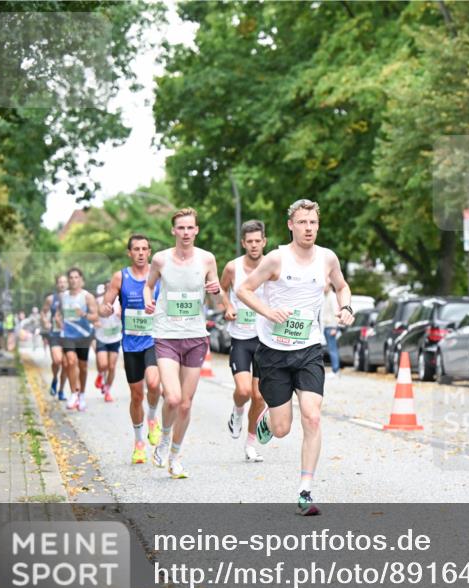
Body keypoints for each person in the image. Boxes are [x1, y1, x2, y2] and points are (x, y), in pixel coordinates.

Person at [237, 199, 353, 516]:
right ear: (291, 225)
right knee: (282, 428)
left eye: (313, 222)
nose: (308, 228)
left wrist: (346, 307)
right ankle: (265, 422)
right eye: (302, 222)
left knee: (312, 416)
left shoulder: (327, 258)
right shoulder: (276, 259)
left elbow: (343, 287)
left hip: (308, 350)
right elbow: (244, 290)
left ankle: (305, 491)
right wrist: (268, 311)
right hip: (273, 352)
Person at [144, 208, 221, 479]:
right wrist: (147, 299)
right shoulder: (161, 259)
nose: (186, 233)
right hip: (166, 335)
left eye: (190, 228)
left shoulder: (207, 259)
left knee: (186, 404)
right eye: (181, 228)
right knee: (173, 398)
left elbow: (216, 301)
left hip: (195, 336)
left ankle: (175, 456)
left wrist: (216, 292)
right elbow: (148, 285)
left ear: (196, 230)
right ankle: (164, 438)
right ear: (173, 231)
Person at [102, 234, 163, 464]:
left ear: (149, 252)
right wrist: (106, 309)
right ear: (129, 253)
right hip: (130, 344)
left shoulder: (158, 275)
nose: (140, 253)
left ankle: (152, 418)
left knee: (155, 383)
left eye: (144, 249)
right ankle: (139, 443)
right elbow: (104, 306)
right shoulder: (120, 277)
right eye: (136, 249)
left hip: (153, 339)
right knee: (136, 395)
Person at [219, 220, 269, 462]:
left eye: (258, 241)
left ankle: (250, 444)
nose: (254, 245)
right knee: (243, 390)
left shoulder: (273, 265)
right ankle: (237, 412)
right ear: (243, 243)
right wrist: (227, 305)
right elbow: (219, 290)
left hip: (265, 339)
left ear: (264, 242)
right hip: (240, 337)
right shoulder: (232, 267)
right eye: (249, 241)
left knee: (259, 397)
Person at [58, 267, 99, 411]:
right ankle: (73, 393)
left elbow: (95, 317)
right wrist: (59, 322)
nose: (74, 280)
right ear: (68, 280)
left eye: (76, 277)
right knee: (70, 361)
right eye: (71, 277)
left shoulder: (87, 296)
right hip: (68, 335)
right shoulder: (63, 296)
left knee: (83, 367)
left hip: (83, 336)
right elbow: (58, 313)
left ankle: (81, 395)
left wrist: (83, 315)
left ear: (81, 280)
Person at [93, 283, 122, 402]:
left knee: (111, 366)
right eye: (107, 288)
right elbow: (94, 314)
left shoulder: (120, 301)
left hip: (115, 337)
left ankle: (108, 390)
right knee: (103, 364)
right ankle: (100, 375)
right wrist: (95, 321)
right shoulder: (99, 300)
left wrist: (122, 314)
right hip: (102, 337)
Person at [43, 275, 69, 399]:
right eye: (60, 282)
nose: (62, 284)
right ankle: (54, 379)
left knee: (66, 364)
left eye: (64, 282)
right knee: (57, 360)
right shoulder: (50, 299)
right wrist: (46, 322)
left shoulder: (74, 298)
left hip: (69, 335)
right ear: (57, 284)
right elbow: (43, 312)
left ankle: (61, 390)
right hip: (55, 334)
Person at [321, 286, 341, 376]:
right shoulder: (325, 296)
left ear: (329, 286)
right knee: (331, 349)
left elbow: (336, 312)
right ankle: (335, 370)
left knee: (333, 349)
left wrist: (335, 327)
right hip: (327, 326)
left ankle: (335, 370)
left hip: (331, 327)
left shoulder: (332, 297)